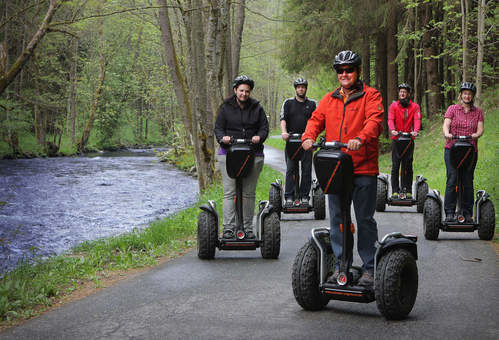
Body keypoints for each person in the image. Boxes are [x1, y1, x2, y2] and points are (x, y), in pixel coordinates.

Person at [302, 50, 384, 287]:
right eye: (340, 71)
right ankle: (341, 264)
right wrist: (308, 136)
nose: (344, 74)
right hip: (336, 168)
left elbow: (375, 121)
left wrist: (361, 137)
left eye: (349, 70)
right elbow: (316, 120)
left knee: (364, 219)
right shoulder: (329, 99)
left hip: (362, 167)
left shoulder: (371, 95)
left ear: (357, 72)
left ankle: (369, 268)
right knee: (338, 218)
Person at [214, 75, 269, 239]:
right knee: (230, 191)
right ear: (235, 90)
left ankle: (247, 228)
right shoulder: (225, 107)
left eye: (247, 91)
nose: (244, 94)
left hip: (253, 153)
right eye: (241, 91)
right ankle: (229, 228)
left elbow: (264, 128)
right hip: (228, 153)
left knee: (248, 193)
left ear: (250, 92)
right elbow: (218, 128)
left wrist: (259, 137)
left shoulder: (257, 108)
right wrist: (222, 138)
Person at [442, 82, 484, 223]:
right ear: (461, 94)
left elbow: (480, 129)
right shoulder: (452, 109)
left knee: (467, 180)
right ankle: (449, 212)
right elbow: (446, 125)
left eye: (469, 94)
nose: (467, 96)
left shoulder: (478, 112)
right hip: (452, 150)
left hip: (470, 151)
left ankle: (466, 213)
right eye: (465, 93)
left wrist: (476, 135)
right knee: (452, 178)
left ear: (472, 96)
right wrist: (447, 134)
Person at [279, 78, 317, 207]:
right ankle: (289, 196)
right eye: (299, 87)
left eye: (303, 87)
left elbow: (317, 122)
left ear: (306, 88)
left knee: (306, 169)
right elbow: (283, 119)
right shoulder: (288, 103)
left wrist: (313, 139)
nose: (301, 89)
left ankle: (304, 196)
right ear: (295, 89)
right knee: (291, 169)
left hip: (306, 141)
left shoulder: (312, 104)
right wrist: (284, 132)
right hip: (291, 141)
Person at [388, 83, 421, 199]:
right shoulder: (394, 106)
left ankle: (408, 190)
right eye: (400, 92)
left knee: (408, 165)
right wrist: (392, 130)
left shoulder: (414, 107)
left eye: (404, 92)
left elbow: (417, 120)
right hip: (397, 139)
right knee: (395, 165)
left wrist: (415, 131)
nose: (402, 94)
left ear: (408, 94)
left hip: (408, 139)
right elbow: (390, 119)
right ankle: (395, 191)